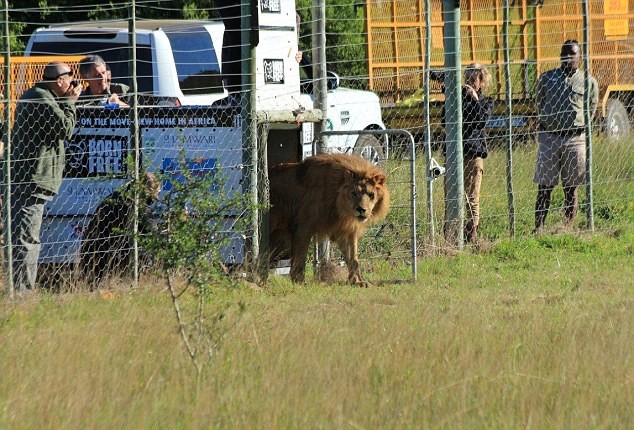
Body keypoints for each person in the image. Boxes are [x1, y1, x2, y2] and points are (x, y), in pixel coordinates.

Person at [6, 61, 82, 292]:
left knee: (24, 237)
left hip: (31, 179)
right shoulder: (41, 98)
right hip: (30, 180)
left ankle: (19, 289)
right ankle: (21, 292)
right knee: (27, 240)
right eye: (70, 78)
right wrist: (70, 102)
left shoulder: (42, 95)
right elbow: (64, 128)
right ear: (59, 80)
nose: (72, 83)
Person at [533, 40, 598, 233]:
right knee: (544, 186)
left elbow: (591, 108)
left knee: (571, 187)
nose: (568, 58)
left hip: (575, 139)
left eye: (572, 54)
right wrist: (547, 122)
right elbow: (539, 102)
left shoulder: (588, 81)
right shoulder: (547, 78)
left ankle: (566, 226)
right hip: (549, 138)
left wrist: (578, 124)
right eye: (564, 54)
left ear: (580, 58)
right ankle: (539, 227)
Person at [79, 172, 160, 288]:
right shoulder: (139, 206)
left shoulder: (113, 198)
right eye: (156, 194)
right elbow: (154, 234)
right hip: (113, 263)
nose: (156, 198)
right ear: (150, 191)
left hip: (91, 258)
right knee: (148, 248)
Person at [443, 63, 494, 243]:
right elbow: (444, 120)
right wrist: (454, 97)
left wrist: (474, 99)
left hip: (473, 155)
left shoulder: (485, 102)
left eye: (474, 80)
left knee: (471, 199)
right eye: (467, 79)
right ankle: (449, 237)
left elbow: (481, 121)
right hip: (453, 155)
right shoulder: (456, 100)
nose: (470, 84)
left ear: (481, 82)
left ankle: (471, 237)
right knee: (451, 197)